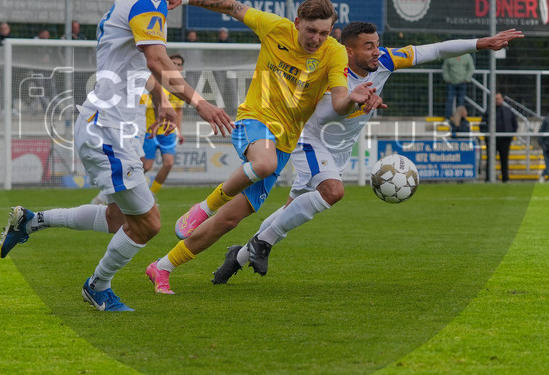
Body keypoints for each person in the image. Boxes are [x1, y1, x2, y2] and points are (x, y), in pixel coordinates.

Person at [0, 0, 234, 312]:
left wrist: (160, 99)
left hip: (114, 126)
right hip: (108, 129)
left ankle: (32, 222)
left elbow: (138, 61)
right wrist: (201, 104)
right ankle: (97, 285)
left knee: (115, 217)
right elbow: (156, 60)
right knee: (149, 224)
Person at [211, 24, 522, 284]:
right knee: (332, 192)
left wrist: (482, 43)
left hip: (339, 152)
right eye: (369, 46)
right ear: (348, 51)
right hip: (311, 141)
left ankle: (239, 256)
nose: (377, 51)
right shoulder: (330, 69)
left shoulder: (385, 61)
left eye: (377, 44)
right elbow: (327, 115)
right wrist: (356, 101)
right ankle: (260, 242)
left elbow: (435, 50)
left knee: (290, 212)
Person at [145, 0, 382, 295]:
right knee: (264, 163)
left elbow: (338, 103)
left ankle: (163, 267)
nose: (316, 39)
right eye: (311, 30)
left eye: (323, 33)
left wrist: (352, 100)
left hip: (285, 142)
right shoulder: (274, 27)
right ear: (297, 23)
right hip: (253, 120)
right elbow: (231, 6)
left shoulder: (334, 53)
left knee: (229, 220)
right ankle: (204, 207)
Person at [142, 54, 186, 201]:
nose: (176, 67)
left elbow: (178, 111)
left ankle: (151, 194)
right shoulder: (154, 81)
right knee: (146, 166)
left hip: (168, 132)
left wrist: (179, 131)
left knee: (169, 163)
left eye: (179, 64)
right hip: (149, 130)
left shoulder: (178, 87)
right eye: (173, 63)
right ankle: (121, 189)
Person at [481, 92, 518, 183]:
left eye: (499, 98)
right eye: (495, 99)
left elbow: (514, 124)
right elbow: (482, 125)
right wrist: (487, 136)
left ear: (502, 99)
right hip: (492, 140)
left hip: (504, 140)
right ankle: (488, 178)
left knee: (504, 159)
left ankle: (505, 179)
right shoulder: (489, 111)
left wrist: (510, 135)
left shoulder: (508, 111)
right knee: (490, 159)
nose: (497, 100)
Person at [442, 53, 474, 119]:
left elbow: (471, 68)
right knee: (450, 99)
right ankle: (448, 117)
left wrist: (467, 79)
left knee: (461, 101)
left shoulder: (467, 56)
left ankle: (459, 118)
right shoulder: (449, 55)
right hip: (451, 82)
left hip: (462, 82)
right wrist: (447, 78)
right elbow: (445, 68)